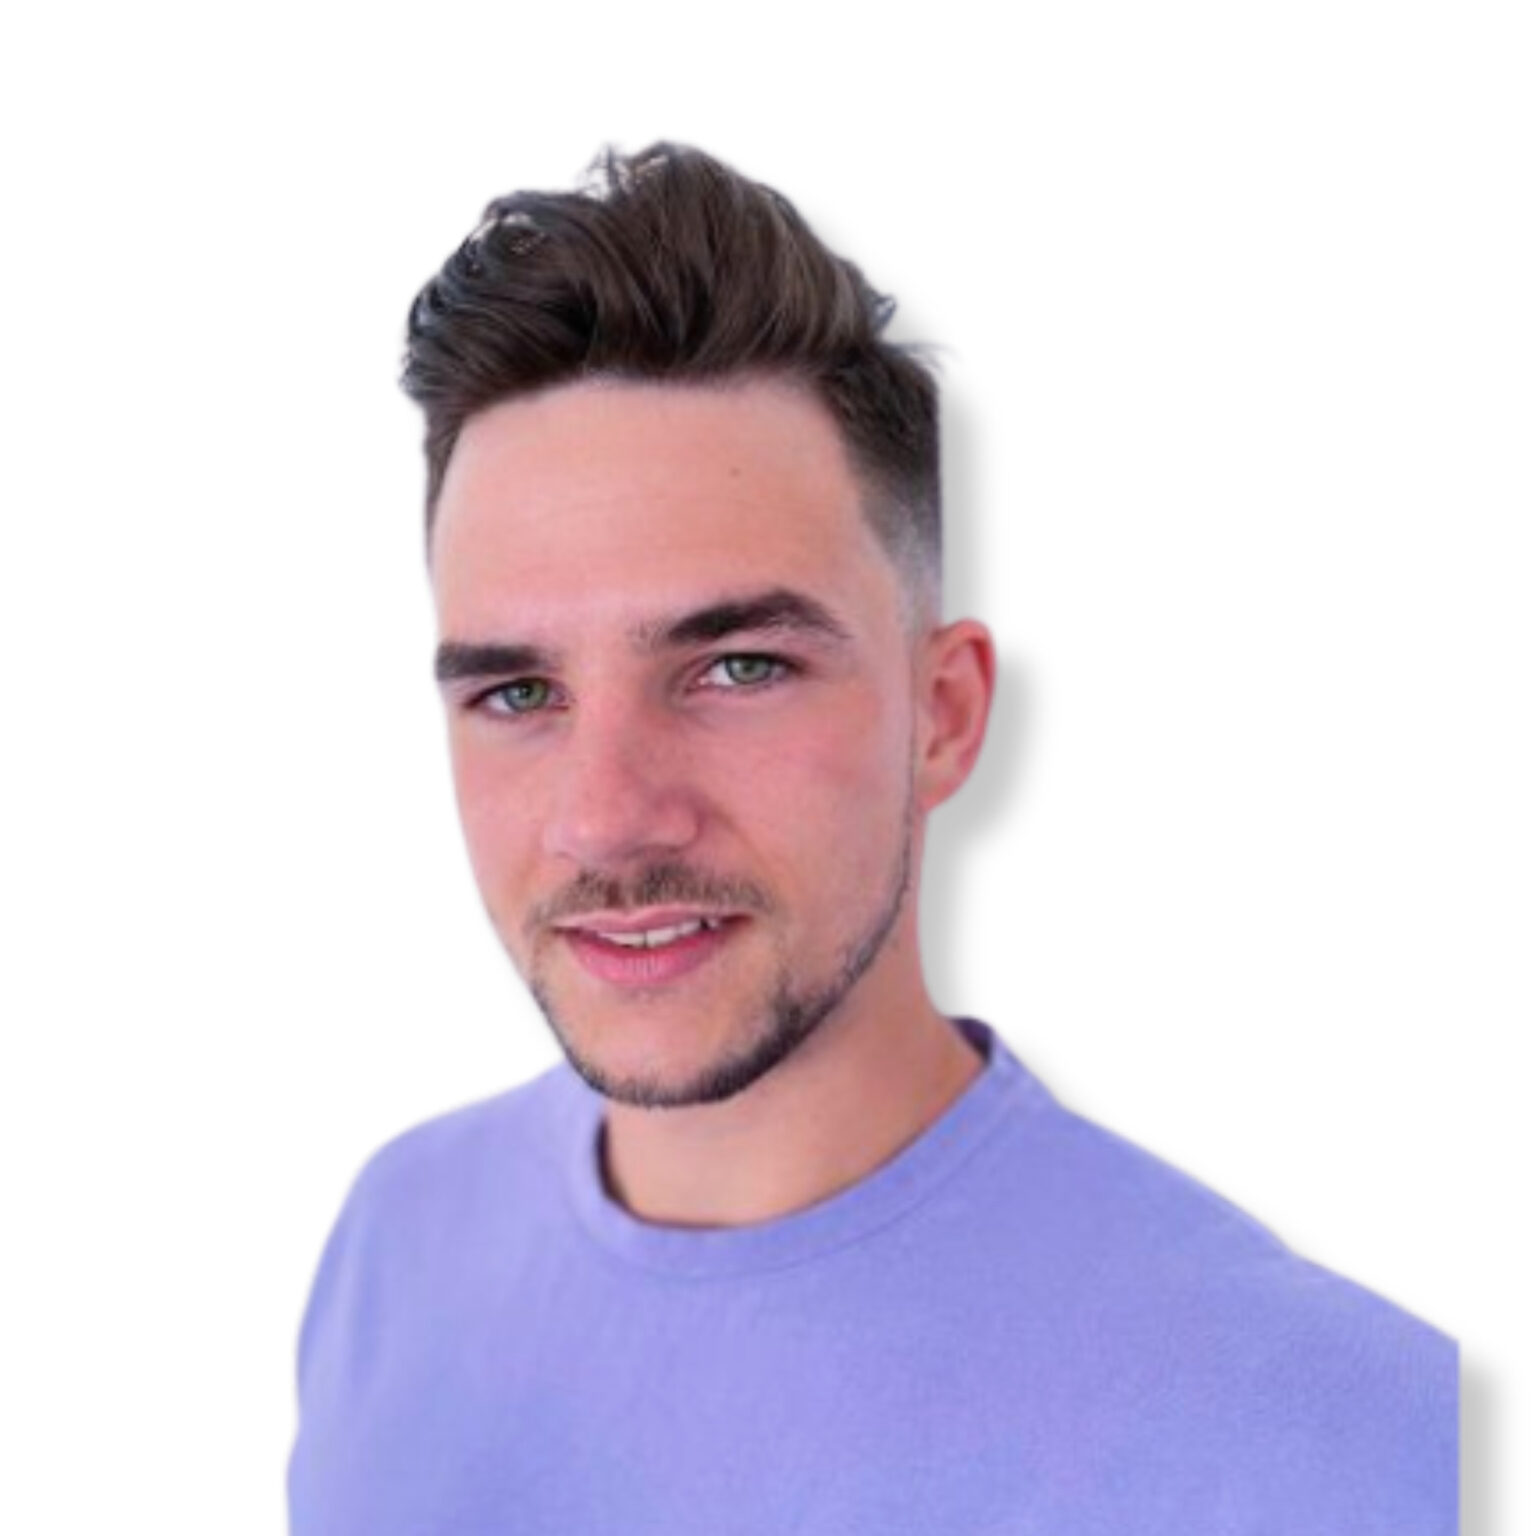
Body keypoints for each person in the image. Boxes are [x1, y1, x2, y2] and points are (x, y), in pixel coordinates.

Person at [287, 144, 1456, 1534]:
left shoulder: (1353, 1443)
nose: (604, 816)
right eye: (519, 692)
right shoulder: (395, 1249)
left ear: (943, 717)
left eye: (737, 670)